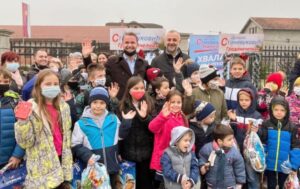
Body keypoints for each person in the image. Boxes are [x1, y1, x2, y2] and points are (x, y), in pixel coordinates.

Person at [15, 69, 73, 188]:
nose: (52, 87)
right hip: (42, 169)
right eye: (48, 84)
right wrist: (22, 122)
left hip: (62, 161)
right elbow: (25, 143)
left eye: (55, 84)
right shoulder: (30, 108)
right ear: (39, 87)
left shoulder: (64, 107)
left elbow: (67, 137)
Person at [71, 87, 132, 189]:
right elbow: (75, 144)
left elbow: (121, 136)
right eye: (95, 102)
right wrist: (88, 156)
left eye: (102, 103)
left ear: (106, 104)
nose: (98, 106)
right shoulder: (82, 123)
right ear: (90, 103)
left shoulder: (113, 118)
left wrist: (126, 122)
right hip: (94, 170)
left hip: (112, 167)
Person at [118, 76, 155, 189]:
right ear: (129, 90)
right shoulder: (122, 106)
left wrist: (145, 117)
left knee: (146, 184)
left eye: (142, 88)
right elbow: (119, 134)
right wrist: (119, 151)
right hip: (128, 154)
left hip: (146, 154)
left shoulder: (150, 104)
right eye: (136, 88)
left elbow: (154, 129)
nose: (139, 91)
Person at [258, 96, 300, 189]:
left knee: (283, 186)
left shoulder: (292, 127)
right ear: (271, 110)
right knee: (271, 185)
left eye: (282, 110)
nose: (279, 112)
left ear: (287, 111)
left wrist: (294, 165)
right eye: (276, 109)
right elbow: (263, 143)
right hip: (269, 164)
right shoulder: (266, 124)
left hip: (285, 165)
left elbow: (296, 147)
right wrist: (262, 159)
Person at [149, 90, 188, 187]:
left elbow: (187, 137)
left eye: (178, 102)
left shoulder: (183, 117)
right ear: (167, 103)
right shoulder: (164, 116)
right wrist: (162, 117)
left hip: (179, 161)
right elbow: (152, 127)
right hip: (164, 161)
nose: (176, 105)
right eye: (173, 102)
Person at [227, 88, 262, 189]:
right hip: (236, 150)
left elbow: (261, 134)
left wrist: (257, 131)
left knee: (251, 177)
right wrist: (232, 120)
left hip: (251, 152)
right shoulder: (234, 113)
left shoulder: (257, 115)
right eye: (241, 100)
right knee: (237, 175)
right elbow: (230, 131)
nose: (243, 102)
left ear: (252, 100)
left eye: (246, 100)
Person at [199, 124, 246, 189]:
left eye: (233, 138)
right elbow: (202, 159)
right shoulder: (207, 149)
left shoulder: (235, 153)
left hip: (229, 185)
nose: (233, 141)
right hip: (212, 185)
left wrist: (239, 184)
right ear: (220, 141)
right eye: (229, 139)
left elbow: (239, 168)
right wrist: (203, 167)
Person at [106, 32, 149, 99]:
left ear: (137, 44)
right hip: (119, 104)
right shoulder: (112, 62)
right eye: (126, 42)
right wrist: (86, 57)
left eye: (132, 42)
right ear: (122, 44)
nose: (129, 45)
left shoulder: (144, 63)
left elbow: (152, 81)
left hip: (138, 104)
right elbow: (97, 74)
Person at [0, 69, 24, 169]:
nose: (2, 84)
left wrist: (17, 154)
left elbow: (25, 131)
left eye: (5, 82)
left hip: (9, 161)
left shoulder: (18, 101)